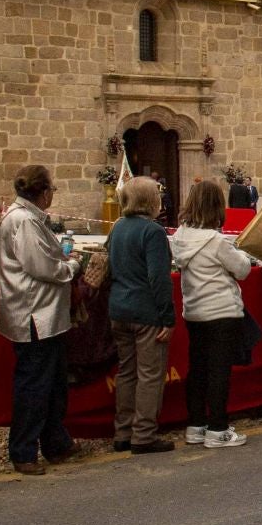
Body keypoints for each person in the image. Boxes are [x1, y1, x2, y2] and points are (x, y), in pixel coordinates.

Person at [0, 164, 79, 476]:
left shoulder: (26, 218)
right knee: (34, 385)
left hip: (44, 314)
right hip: (35, 313)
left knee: (53, 383)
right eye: (51, 189)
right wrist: (72, 267)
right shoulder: (25, 221)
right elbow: (42, 267)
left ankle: (55, 442)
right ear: (43, 193)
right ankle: (23, 450)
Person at [171, 180, 255, 449]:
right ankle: (218, 427)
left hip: (194, 311)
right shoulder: (217, 242)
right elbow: (242, 269)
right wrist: (241, 255)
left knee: (198, 368)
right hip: (221, 311)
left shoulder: (180, 237)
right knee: (219, 371)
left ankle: (196, 424)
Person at [107, 175, 176, 455]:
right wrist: (167, 317)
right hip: (145, 310)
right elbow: (159, 278)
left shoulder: (117, 228)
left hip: (119, 307)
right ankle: (144, 433)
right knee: (150, 374)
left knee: (127, 372)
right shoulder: (152, 232)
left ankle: (123, 431)